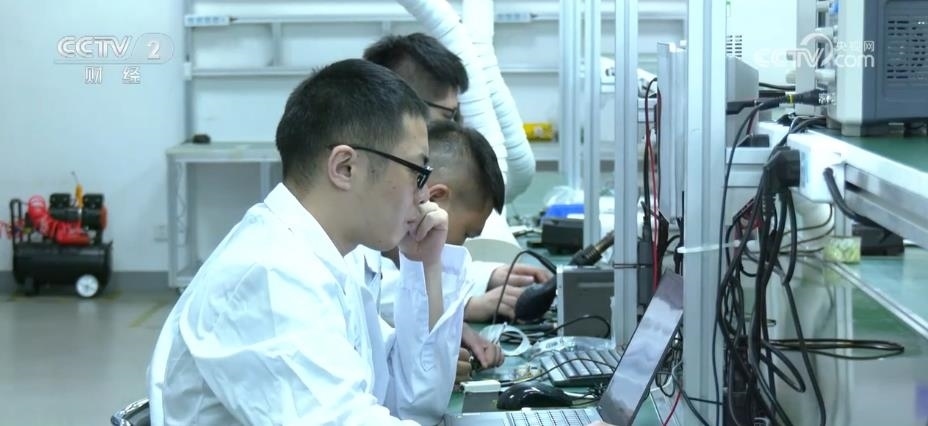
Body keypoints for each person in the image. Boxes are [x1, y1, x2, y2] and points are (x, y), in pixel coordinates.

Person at [147, 59, 473, 425]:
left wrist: (426, 267)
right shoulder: (270, 274)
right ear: (345, 167)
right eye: (417, 172)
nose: (425, 195)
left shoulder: (339, 258)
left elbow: (408, 400)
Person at [364, 32, 552, 323]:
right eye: (449, 114)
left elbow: (411, 264)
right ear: (405, 105)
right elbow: (373, 286)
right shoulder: (360, 190)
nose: (453, 126)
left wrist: (486, 277)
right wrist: (465, 306)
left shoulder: (387, 185)